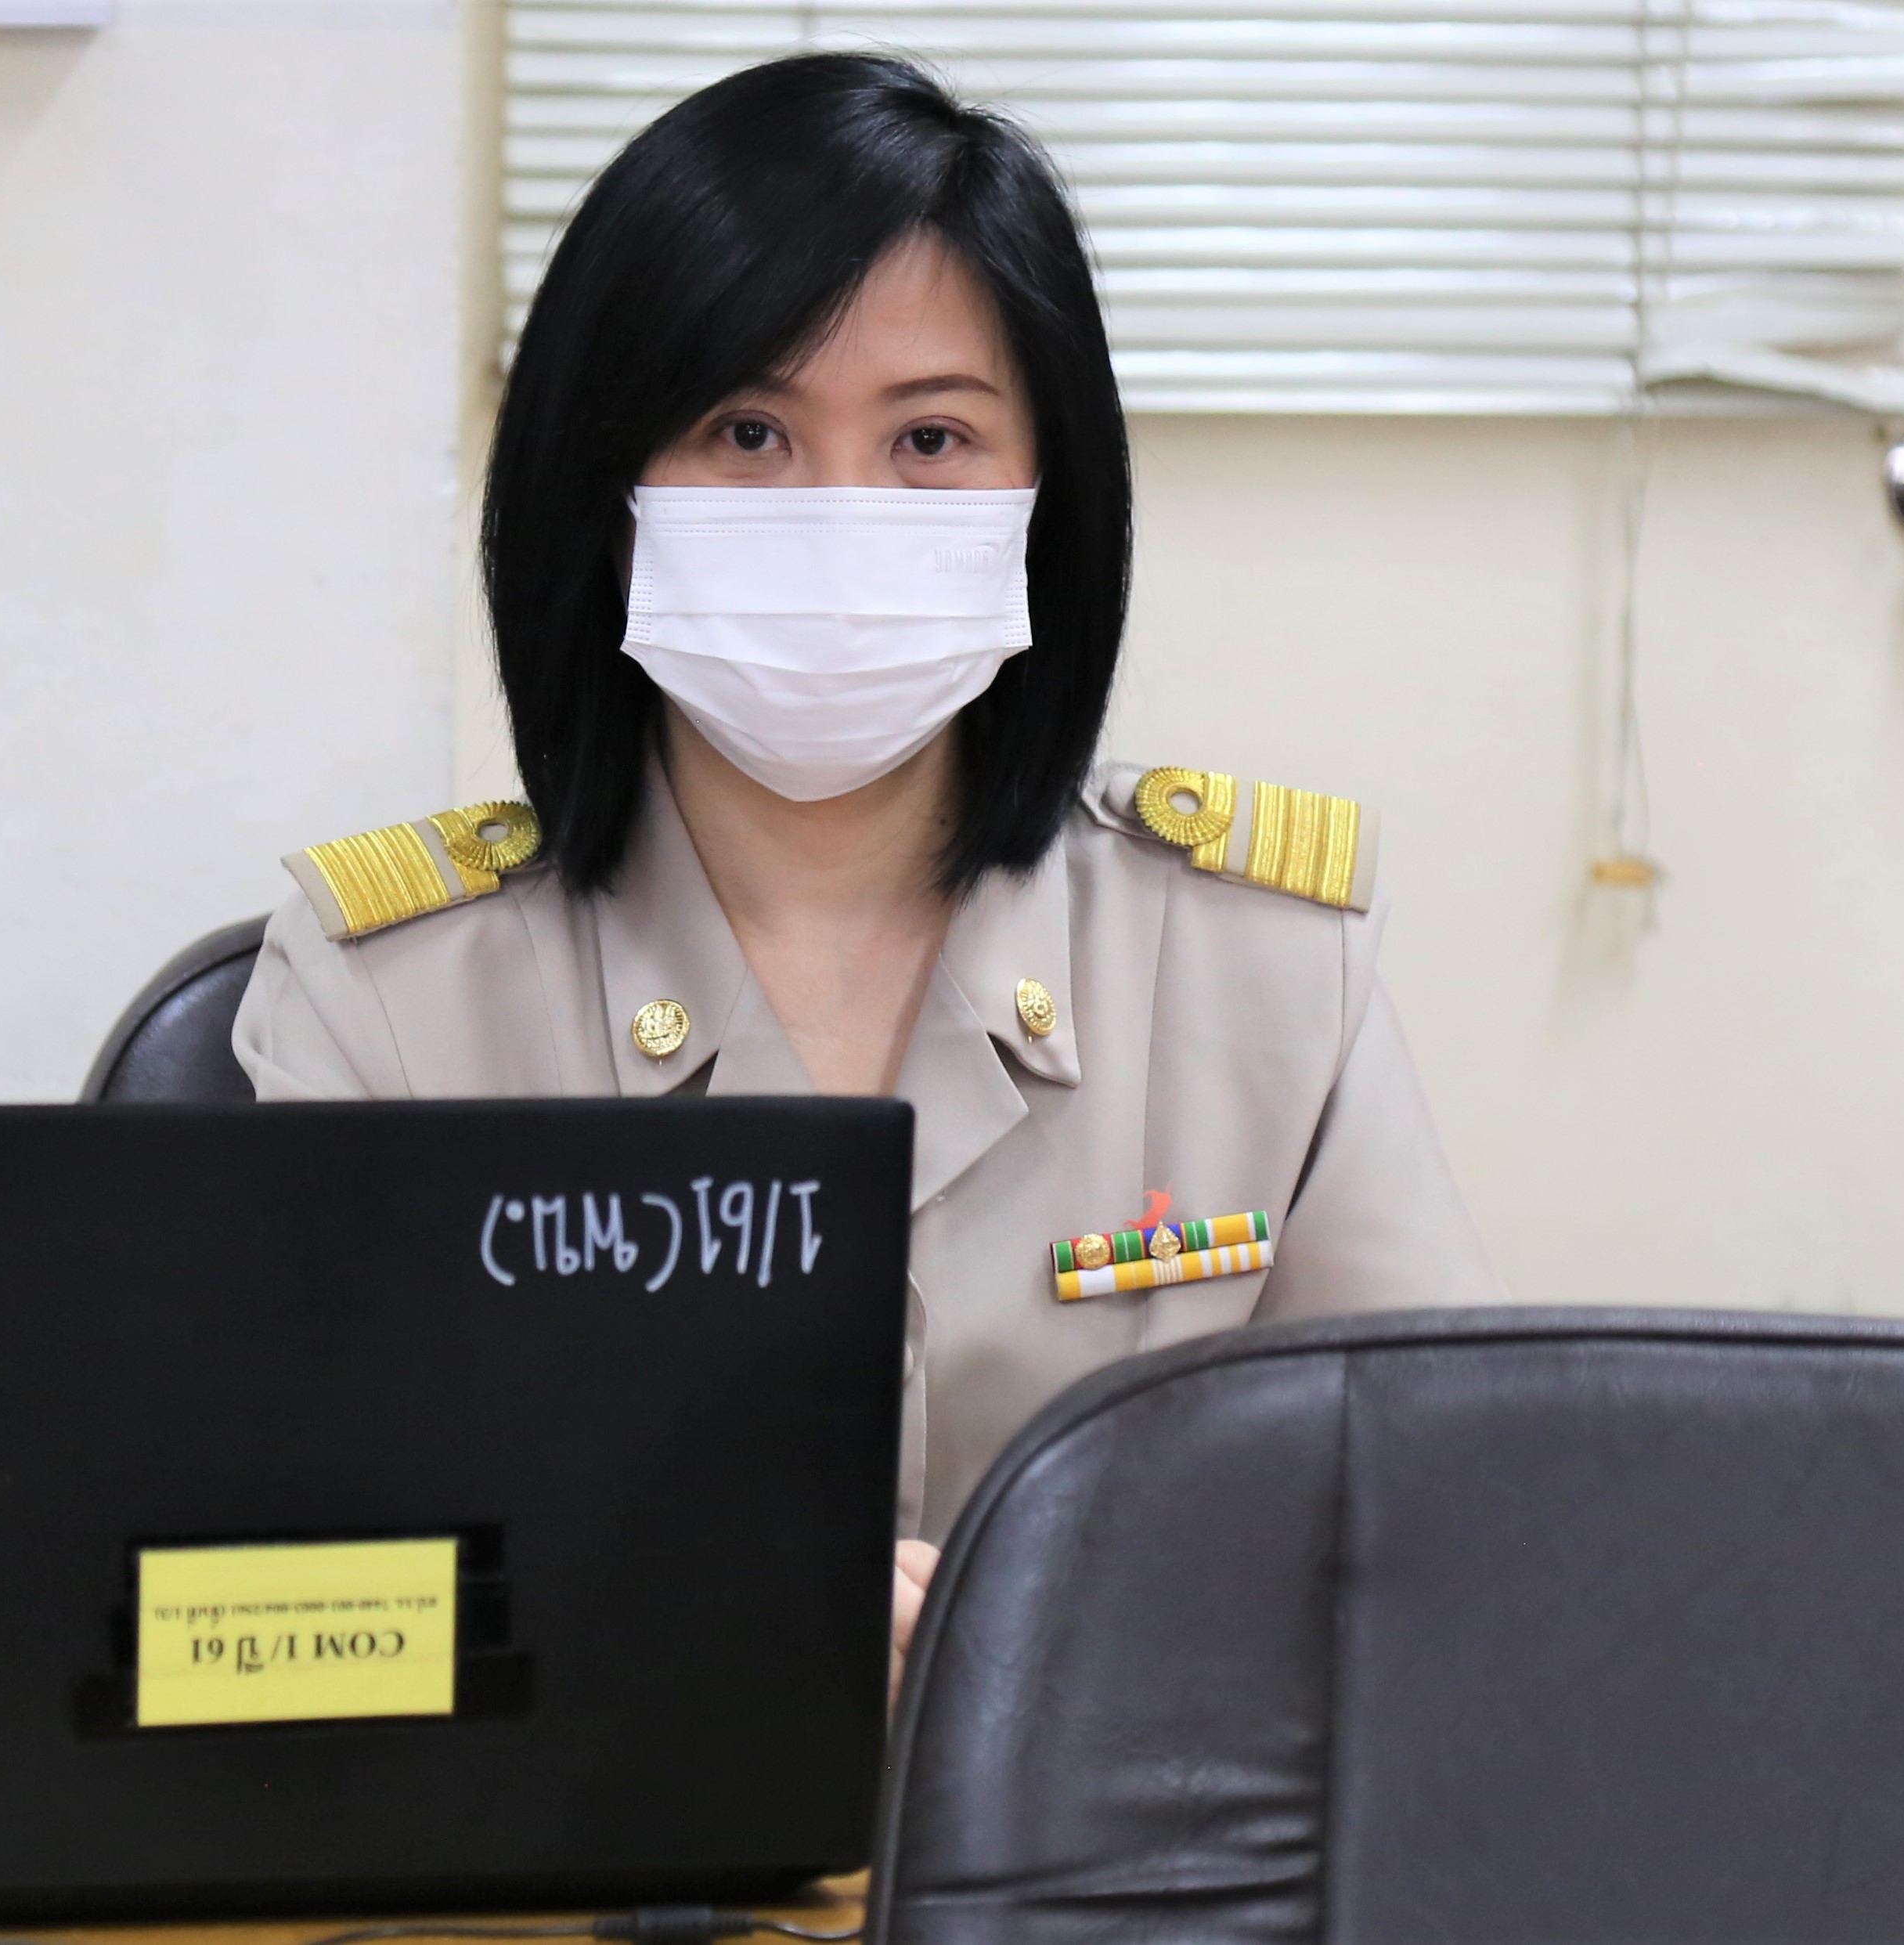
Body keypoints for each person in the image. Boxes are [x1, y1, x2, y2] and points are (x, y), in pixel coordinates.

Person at [233, 52, 1504, 1687]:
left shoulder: (1255, 963)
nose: (839, 515)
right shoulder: (393, 999)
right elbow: (267, 1603)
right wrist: (674, 1613)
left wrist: (1022, 1655)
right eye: (747, 430)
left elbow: (1441, 1534)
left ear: (1046, 497)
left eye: (930, 438)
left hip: (1109, 1818)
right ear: (604, 496)